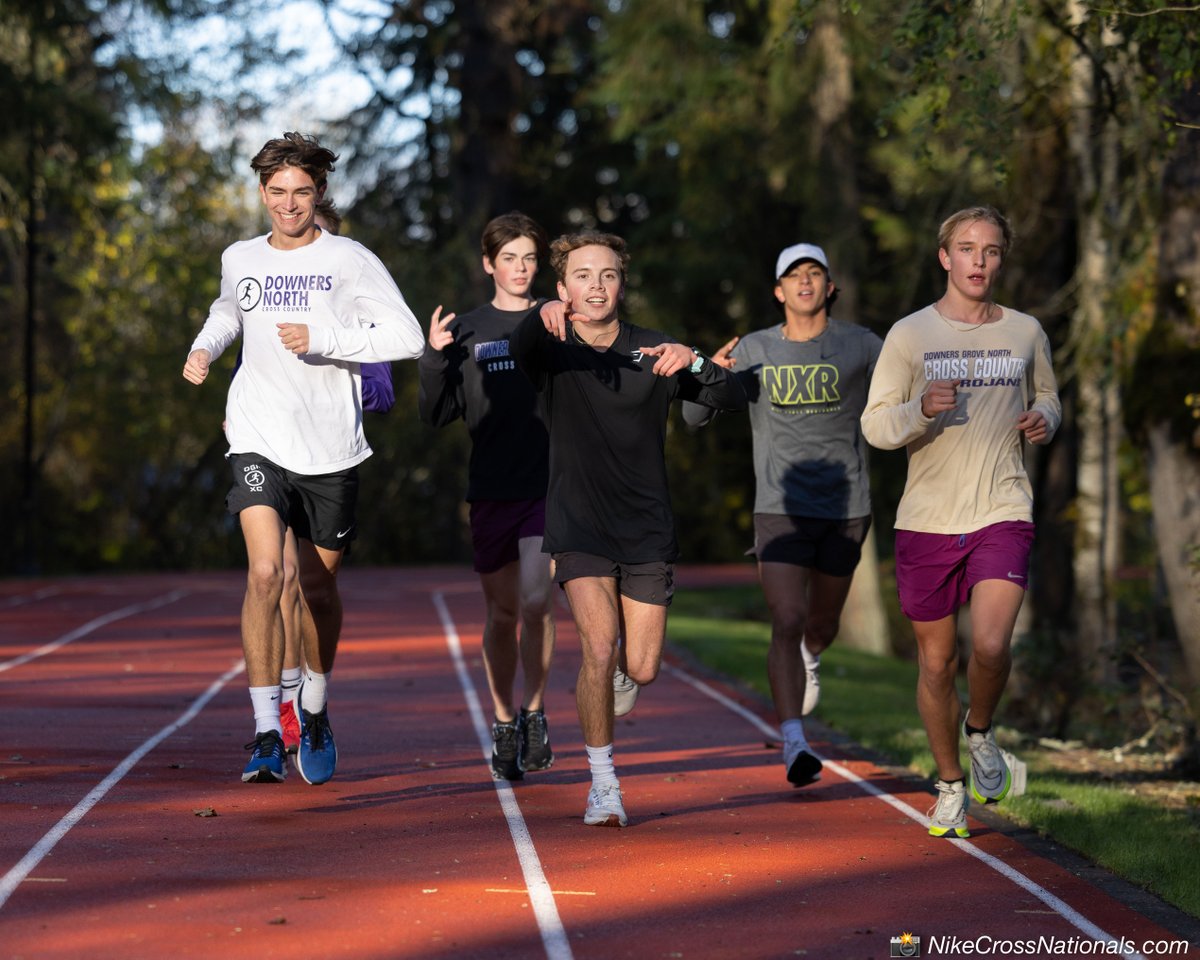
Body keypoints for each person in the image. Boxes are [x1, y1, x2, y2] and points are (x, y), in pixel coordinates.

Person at [182, 132, 424, 785]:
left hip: (329, 446)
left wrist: (323, 338)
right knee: (265, 574)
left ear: (319, 193)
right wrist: (205, 346)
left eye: (302, 192)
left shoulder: (349, 258)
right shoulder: (240, 256)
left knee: (317, 589)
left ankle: (313, 707)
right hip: (257, 432)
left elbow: (408, 337)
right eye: (277, 192)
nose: (288, 204)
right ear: (262, 192)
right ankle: (267, 731)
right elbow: (229, 310)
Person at [508, 231, 747, 827]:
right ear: (564, 287)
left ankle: (619, 673)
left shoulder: (654, 349)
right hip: (578, 526)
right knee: (597, 645)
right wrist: (541, 314)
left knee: (641, 668)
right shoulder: (552, 348)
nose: (596, 286)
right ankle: (603, 783)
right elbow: (521, 344)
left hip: (645, 530)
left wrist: (695, 360)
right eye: (583, 276)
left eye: (608, 275)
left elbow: (736, 393)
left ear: (621, 284)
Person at [860, 205, 1060, 838]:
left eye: (991, 250)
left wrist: (1046, 419)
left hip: (1003, 507)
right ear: (945, 257)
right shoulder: (909, 334)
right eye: (968, 248)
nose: (980, 260)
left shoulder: (1025, 332)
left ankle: (980, 729)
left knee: (993, 645)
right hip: (926, 519)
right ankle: (950, 785)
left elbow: (1048, 394)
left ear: (1001, 259)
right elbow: (875, 425)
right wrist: (920, 408)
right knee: (937, 663)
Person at [693, 243, 882, 789]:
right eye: (794, 275)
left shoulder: (862, 344)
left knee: (820, 626)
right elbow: (692, 418)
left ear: (830, 287)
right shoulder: (754, 348)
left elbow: (906, 394)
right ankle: (795, 742)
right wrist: (709, 376)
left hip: (845, 508)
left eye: (814, 273)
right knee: (787, 617)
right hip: (778, 506)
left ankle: (811, 658)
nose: (804, 282)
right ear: (779, 291)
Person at [417, 211, 557, 782]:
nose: (520, 268)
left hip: (548, 484)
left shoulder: (556, 319)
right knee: (503, 614)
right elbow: (435, 414)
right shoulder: (468, 330)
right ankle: (504, 719)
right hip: (492, 488)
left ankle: (535, 712)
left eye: (529, 258)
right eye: (509, 259)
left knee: (537, 601)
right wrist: (433, 356)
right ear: (488, 264)